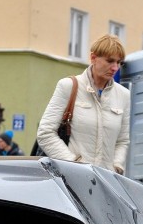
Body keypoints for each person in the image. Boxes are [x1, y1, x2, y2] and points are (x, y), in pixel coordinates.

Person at [36, 34, 130, 174]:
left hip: (107, 184)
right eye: (110, 61)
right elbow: (45, 133)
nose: (115, 68)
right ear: (93, 58)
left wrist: (116, 168)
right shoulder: (68, 86)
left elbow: (122, 141)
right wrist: (74, 164)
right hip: (71, 179)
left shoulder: (123, 95)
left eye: (119, 62)